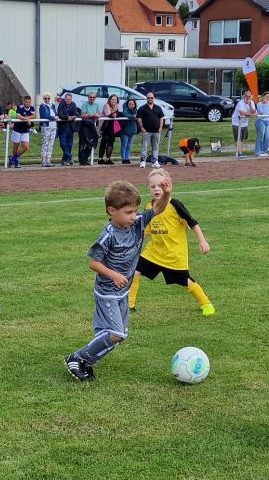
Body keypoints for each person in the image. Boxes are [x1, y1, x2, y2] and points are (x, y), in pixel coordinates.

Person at [64, 179, 170, 382]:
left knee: (118, 336)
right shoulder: (108, 235)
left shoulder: (137, 223)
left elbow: (158, 209)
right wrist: (114, 274)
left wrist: (165, 194)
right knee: (116, 334)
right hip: (108, 293)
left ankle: (86, 362)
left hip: (123, 292)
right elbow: (93, 263)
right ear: (112, 210)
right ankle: (77, 357)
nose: (134, 216)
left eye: (135, 211)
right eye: (128, 212)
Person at [127, 169, 214, 315]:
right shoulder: (149, 207)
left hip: (173, 254)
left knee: (185, 281)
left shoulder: (175, 205)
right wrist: (134, 242)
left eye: (160, 186)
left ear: (168, 185)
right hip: (154, 252)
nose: (156, 189)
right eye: (153, 186)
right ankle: (129, 305)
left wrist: (202, 241)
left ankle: (206, 303)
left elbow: (192, 223)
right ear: (148, 188)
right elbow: (146, 229)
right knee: (134, 271)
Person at [136, 93, 165, 168]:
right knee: (145, 146)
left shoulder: (158, 108)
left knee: (156, 147)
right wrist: (141, 127)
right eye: (148, 98)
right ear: (146, 98)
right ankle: (143, 161)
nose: (150, 99)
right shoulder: (142, 108)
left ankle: (155, 161)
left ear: (153, 98)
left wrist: (161, 127)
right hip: (146, 131)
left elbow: (161, 118)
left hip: (156, 131)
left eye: (151, 98)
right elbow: (139, 118)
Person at [7, 95, 34, 168]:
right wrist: (26, 119)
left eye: (29, 102)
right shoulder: (20, 107)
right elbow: (17, 116)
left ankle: (13, 158)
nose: (28, 103)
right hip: (17, 129)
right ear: (23, 102)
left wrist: (28, 118)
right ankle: (15, 161)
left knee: (26, 147)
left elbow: (34, 115)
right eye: (26, 102)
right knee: (16, 146)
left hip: (25, 130)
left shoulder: (32, 108)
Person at [55, 92, 78, 165]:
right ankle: (70, 156)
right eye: (67, 99)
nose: (68, 100)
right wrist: (68, 117)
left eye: (69, 99)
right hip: (63, 128)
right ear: (65, 99)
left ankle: (65, 160)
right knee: (63, 144)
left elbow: (76, 113)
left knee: (70, 145)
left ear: (71, 99)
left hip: (71, 128)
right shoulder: (61, 104)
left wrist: (74, 116)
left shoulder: (73, 104)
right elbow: (60, 114)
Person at [95, 95, 119, 165]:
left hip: (112, 127)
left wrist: (115, 113)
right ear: (109, 100)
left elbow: (119, 114)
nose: (114, 101)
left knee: (111, 142)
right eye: (113, 99)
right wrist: (115, 114)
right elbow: (109, 114)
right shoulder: (106, 105)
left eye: (115, 100)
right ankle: (100, 159)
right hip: (105, 126)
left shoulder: (117, 106)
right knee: (104, 141)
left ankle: (108, 159)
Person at [231, 91, 255, 159]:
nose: (248, 97)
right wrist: (252, 115)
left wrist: (250, 105)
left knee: (242, 139)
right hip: (236, 122)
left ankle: (240, 152)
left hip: (245, 123)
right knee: (238, 138)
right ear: (244, 96)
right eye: (246, 96)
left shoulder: (252, 102)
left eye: (249, 96)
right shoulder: (240, 103)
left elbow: (253, 111)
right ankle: (240, 153)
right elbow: (242, 113)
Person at [254, 91, 269, 157]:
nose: (267, 98)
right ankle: (258, 152)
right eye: (266, 97)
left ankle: (263, 151)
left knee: (268, 138)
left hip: (267, 122)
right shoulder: (259, 104)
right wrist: (266, 107)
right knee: (260, 137)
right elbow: (263, 113)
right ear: (262, 97)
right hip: (260, 121)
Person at [38, 93, 56, 168]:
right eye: (45, 98)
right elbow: (44, 115)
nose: (47, 100)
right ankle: (43, 161)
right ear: (43, 99)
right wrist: (53, 118)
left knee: (51, 143)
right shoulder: (42, 106)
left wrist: (55, 117)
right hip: (46, 126)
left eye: (48, 98)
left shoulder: (52, 105)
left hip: (53, 126)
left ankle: (48, 160)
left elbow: (55, 113)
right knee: (45, 143)